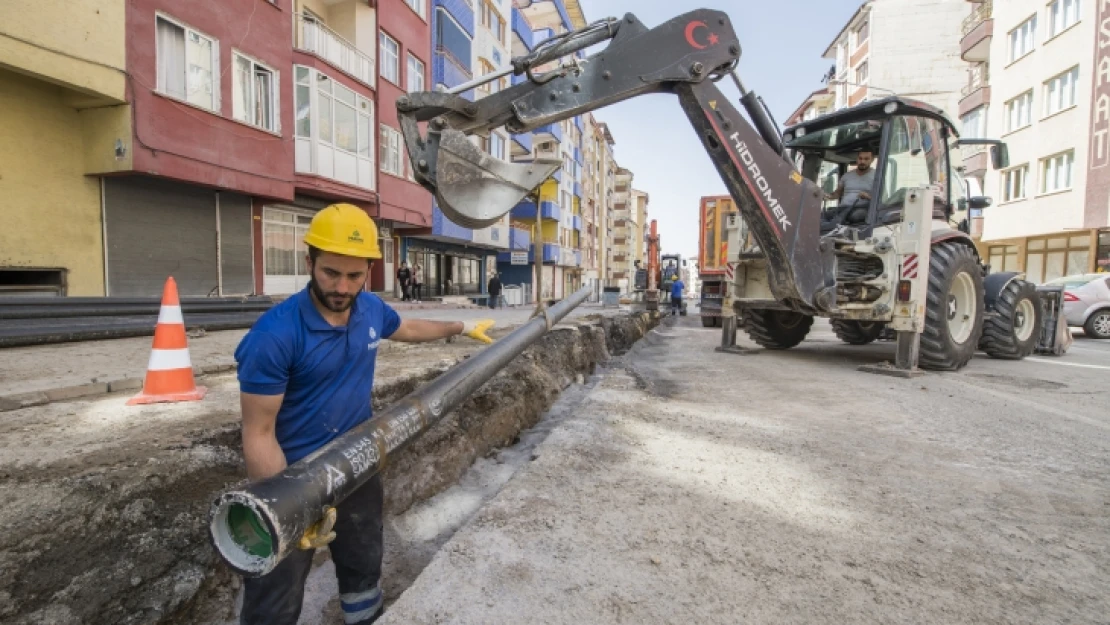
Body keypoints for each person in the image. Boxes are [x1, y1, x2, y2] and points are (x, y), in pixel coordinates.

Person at [233, 204, 496, 625]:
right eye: (330, 273)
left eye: (354, 276)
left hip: (356, 462)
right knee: (276, 592)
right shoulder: (274, 336)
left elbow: (406, 328)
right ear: (310, 263)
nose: (341, 286)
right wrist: (289, 511)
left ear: (369, 272)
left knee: (362, 559)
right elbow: (259, 433)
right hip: (292, 475)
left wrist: (461, 328)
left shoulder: (370, 309)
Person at [824, 150, 876, 226]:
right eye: (860, 158)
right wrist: (826, 196)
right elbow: (838, 193)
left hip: (862, 208)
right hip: (843, 208)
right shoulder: (847, 176)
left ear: (872, 160)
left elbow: (882, 200)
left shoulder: (876, 176)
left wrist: (867, 196)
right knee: (822, 215)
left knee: (855, 217)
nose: (862, 161)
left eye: (866, 159)